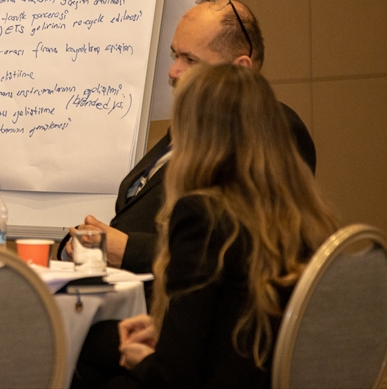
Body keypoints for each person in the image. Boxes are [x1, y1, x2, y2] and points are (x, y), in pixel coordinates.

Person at [85, 64, 339, 388]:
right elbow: (233, 317)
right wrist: (164, 332)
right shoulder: (306, 216)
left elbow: (172, 377)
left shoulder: (203, 216)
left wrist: (143, 359)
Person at [67, 0, 317, 274]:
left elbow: (243, 250)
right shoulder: (190, 126)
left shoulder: (272, 130)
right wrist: (87, 242)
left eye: (191, 60)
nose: (174, 71)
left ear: (240, 69)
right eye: (176, 55)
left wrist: (128, 250)